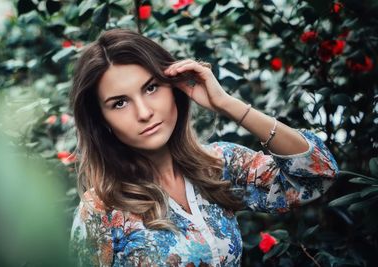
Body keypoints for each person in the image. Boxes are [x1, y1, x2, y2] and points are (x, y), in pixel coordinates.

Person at [69, 28, 338, 267]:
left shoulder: (219, 165)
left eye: (151, 88)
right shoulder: (101, 210)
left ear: (173, 87)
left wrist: (226, 103)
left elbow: (317, 174)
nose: (144, 112)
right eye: (119, 103)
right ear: (101, 121)